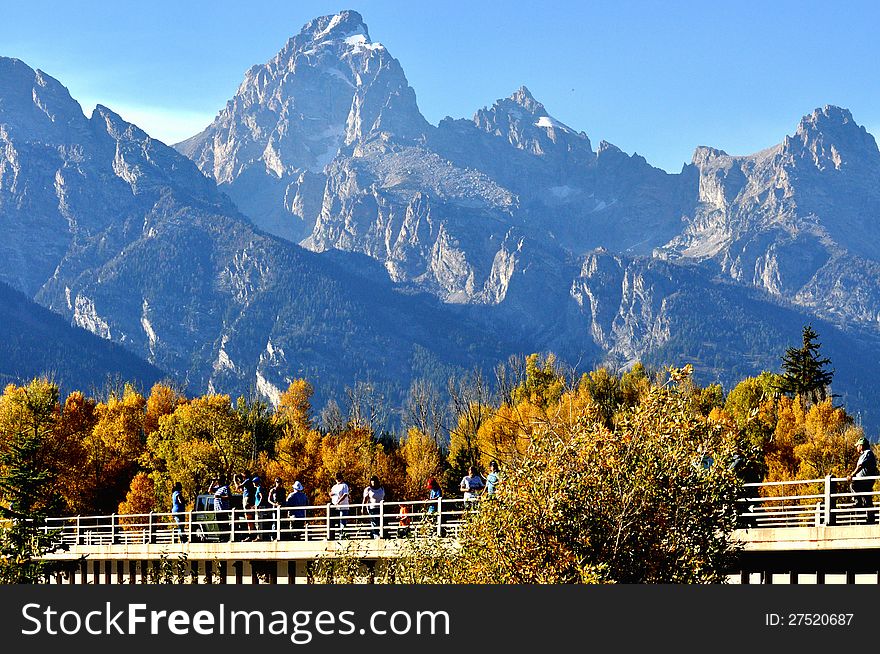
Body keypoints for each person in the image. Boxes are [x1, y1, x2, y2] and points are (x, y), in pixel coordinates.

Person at [847, 437, 878, 525]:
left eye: (858, 446)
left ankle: (857, 501)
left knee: (853, 485)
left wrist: (852, 475)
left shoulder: (867, 453)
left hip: (865, 481)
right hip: (865, 480)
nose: (856, 448)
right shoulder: (866, 454)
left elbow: (860, 465)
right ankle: (870, 519)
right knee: (867, 499)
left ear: (861, 446)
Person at [329, 473, 350, 539]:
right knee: (333, 521)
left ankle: (342, 535)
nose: (338, 480)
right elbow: (331, 493)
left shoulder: (344, 486)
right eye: (337, 478)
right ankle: (332, 536)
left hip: (343, 506)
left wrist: (339, 501)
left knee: (342, 521)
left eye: (339, 478)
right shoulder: (334, 487)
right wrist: (331, 494)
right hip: (335, 507)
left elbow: (345, 494)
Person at [235, 471, 255, 540]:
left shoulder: (248, 480)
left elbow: (238, 487)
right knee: (248, 519)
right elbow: (241, 489)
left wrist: (235, 480)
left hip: (247, 499)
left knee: (249, 518)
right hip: (246, 498)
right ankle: (250, 534)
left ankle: (251, 535)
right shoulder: (247, 481)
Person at [212, 475, 231, 541]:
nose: (218, 481)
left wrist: (220, 497)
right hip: (217, 509)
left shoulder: (226, 487)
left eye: (219, 480)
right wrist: (213, 482)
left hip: (223, 509)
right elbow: (210, 490)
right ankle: (221, 537)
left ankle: (225, 538)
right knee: (219, 524)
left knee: (224, 524)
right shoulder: (217, 488)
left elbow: (229, 496)